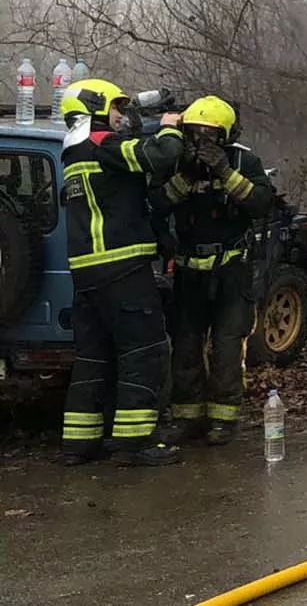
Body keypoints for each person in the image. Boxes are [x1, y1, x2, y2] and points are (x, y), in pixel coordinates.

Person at [57, 78, 185, 466]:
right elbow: (158, 157)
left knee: (93, 358)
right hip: (122, 268)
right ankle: (135, 443)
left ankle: (79, 444)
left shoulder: (73, 151)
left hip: (86, 274)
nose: (119, 116)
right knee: (144, 351)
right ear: (95, 107)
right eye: (115, 107)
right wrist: (169, 126)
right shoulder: (102, 144)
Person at [157, 96, 274, 446]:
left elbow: (261, 203)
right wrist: (186, 176)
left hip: (231, 273)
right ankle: (187, 419)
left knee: (226, 348)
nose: (200, 142)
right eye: (194, 134)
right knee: (186, 347)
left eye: (209, 135)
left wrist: (226, 172)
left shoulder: (243, 160)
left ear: (224, 136)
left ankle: (224, 420)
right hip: (190, 275)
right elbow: (159, 203)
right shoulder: (178, 162)